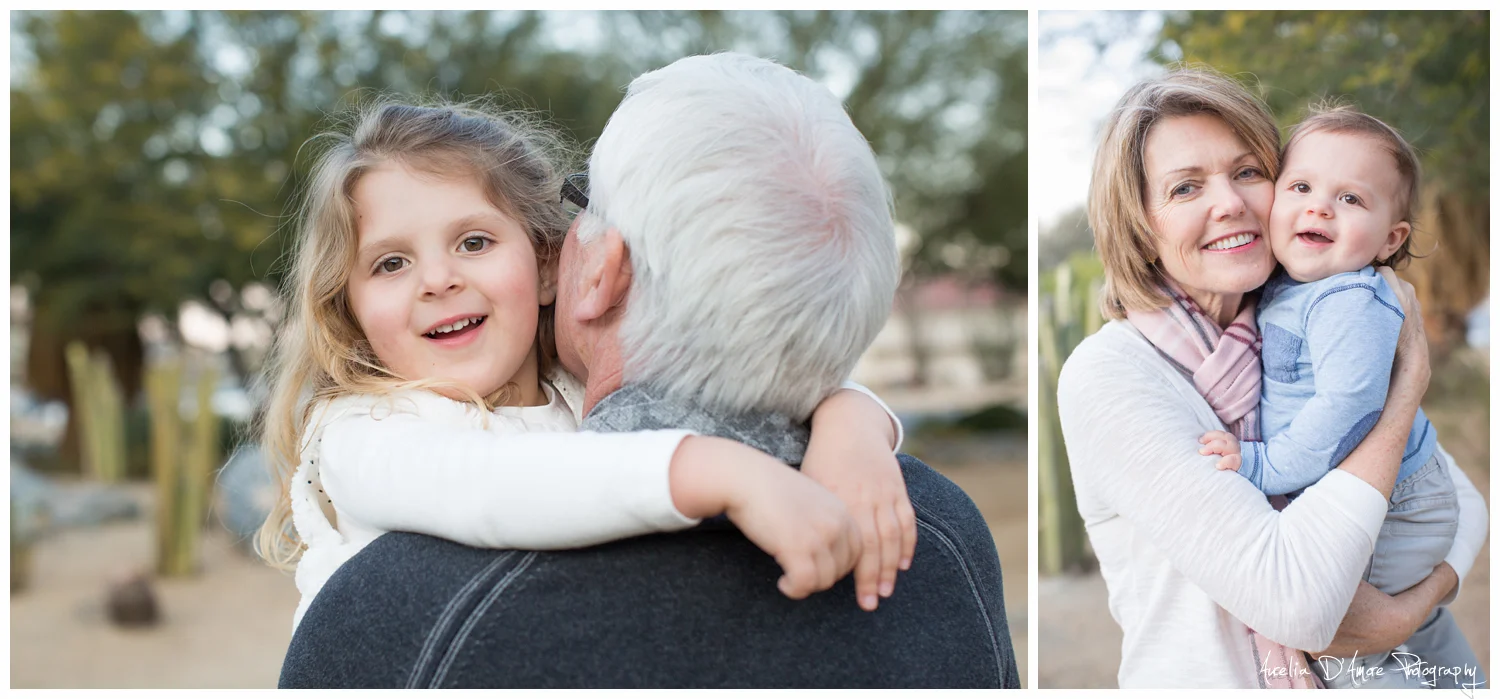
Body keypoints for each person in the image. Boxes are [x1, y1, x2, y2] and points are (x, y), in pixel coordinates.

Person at [278, 53, 1016, 688]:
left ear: (563, 265)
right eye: (390, 263)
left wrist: (849, 424)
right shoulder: (365, 436)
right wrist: (723, 470)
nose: (436, 279)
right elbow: (492, 489)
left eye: (473, 242)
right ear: (345, 306)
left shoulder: (564, 397)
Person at [1056, 67, 1486, 689]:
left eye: (1249, 172)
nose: (1229, 202)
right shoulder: (1112, 375)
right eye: (1184, 189)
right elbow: (1300, 603)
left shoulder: (1300, 314)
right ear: (1142, 228)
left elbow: (1463, 501)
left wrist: (1412, 610)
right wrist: (1404, 390)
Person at [1197, 104, 1482, 688]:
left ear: (1390, 238)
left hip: (1394, 507)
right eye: (1300, 186)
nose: (1320, 206)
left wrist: (1260, 464)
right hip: (1387, 490)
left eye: (1351, 199)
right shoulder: (1294, 285)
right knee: (1421, 636)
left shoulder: (1350, 300)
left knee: (1358, 654)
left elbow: (1347, 409)